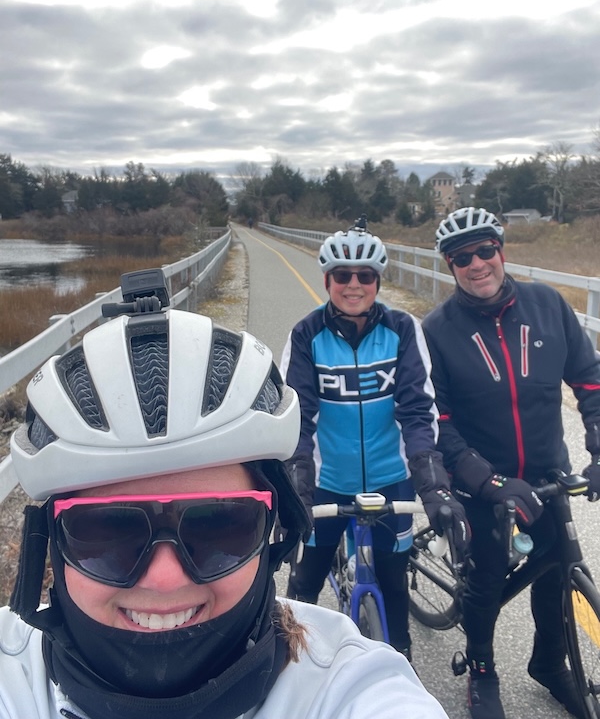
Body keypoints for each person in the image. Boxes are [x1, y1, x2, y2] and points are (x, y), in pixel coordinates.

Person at [2, 270, 450, 719]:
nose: (164, 579)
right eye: (108, 532)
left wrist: (434, 482)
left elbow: (416, 410)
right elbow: (307, 416)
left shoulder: (356, 688)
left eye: (219, 525)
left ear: (275, 533)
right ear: (49, 542)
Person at [421, 206, 600, 719]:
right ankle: (480, 668)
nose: (476, 264)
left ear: (501, 250)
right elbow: (439, 420)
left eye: (485, 250)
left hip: (548, 471)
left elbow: (589, 378)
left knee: (558, 567)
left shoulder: (547, 305)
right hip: (484, 481)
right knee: (486, 579)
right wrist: (485, 479)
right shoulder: (438, 329)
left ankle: (549, 664)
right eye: (461, 258)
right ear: (450, 266)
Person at [280, 215, 468, 660]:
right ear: (327, 279)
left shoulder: (402, 330)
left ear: (377, 281)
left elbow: (418, 412)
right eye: (342, 276)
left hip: (391, 481)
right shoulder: (306, 335)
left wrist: (434, 485)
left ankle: (400, 663)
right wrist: (296, 490)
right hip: (326, 483)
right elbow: (298, 419)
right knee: (301, 595)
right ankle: (287, 672)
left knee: (394, 581)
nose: (353, 284)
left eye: (365, 276)